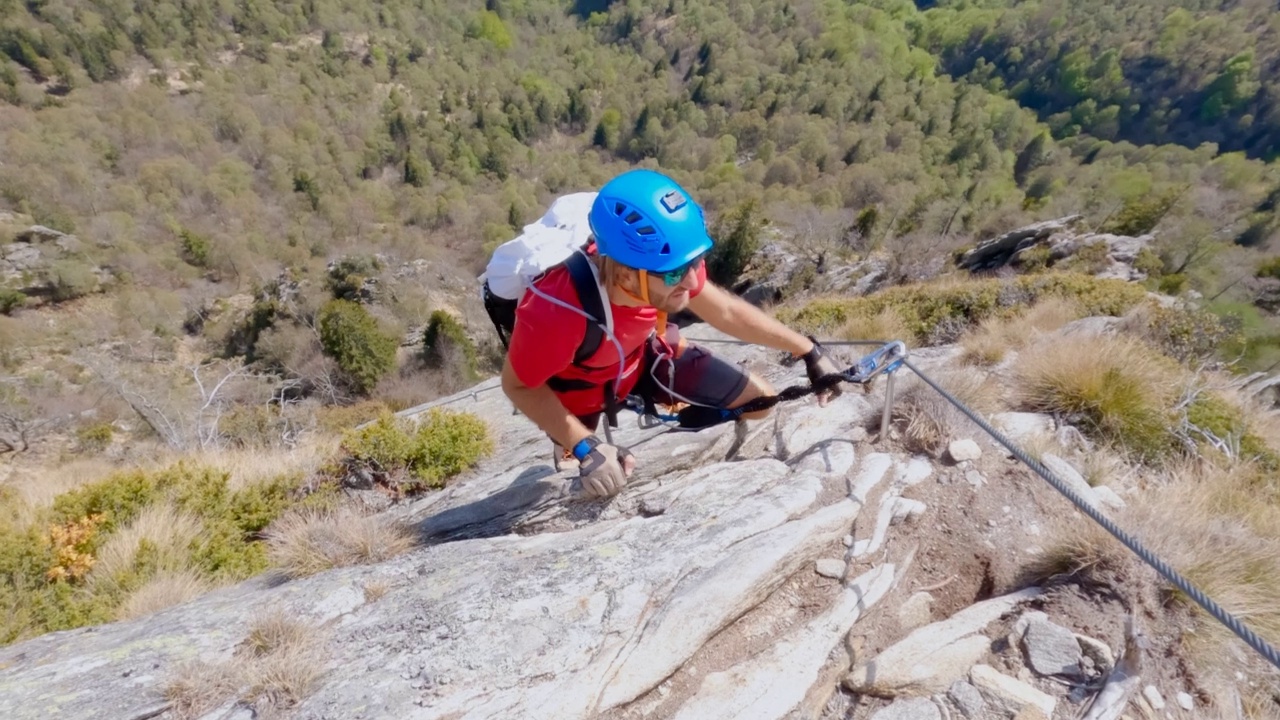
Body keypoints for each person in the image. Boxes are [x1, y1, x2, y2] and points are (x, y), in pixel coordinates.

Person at [500, 169, 844, 499]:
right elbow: (518, 385)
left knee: (760, 401)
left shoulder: (666, 265)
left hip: (642, 355)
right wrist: (583, 443)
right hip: (580, 390)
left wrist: (809, 352)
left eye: (697, 262)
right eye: (676, 272)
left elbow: (725, 311)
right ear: (625, 274)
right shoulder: (557, 309)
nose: (693, 281)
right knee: (584, 468)